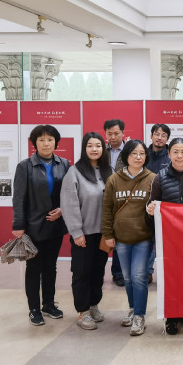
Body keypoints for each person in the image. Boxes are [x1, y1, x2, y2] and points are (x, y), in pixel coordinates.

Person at [12, 125, 70, 326]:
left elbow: (68, 193)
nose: (46, 143)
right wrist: (18, 224)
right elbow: (19, 198)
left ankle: (49, 304)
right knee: (34, 268)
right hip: (33, 226)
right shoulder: (25, 166)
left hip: (55, 224)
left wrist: (62, 209)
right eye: (41, 140)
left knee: (51, 266)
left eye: (50, 139)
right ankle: (34, 309)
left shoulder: (64, 164)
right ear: (34, 143)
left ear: (56, 142)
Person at [146, 137, 183, 335]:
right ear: (169, 154)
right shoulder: (159, 177)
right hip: (169, 237)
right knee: (170, 277)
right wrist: (150, 209)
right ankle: (171, 316)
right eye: (175, 152)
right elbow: (151, 203)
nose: (180, 156)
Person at [102, 139, 156, 336]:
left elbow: (159, 207)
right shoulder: (114, 179)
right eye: (134, 154)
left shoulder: (153, 178)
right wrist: (108, 234)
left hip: (143, 237)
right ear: (126, 156)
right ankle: (133, 309)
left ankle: (140, 316)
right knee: (127, 278)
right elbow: (107, 209)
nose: (138, 157)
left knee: (139, 277)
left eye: (142, 154)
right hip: (121, 238)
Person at [61, 132, 113, 330]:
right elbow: (69, 204)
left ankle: (93, 305)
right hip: (83, 234)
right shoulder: (74, 172)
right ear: (84, 148)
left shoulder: (109, 171)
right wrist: (76, 232)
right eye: (90, 145)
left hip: (104, 233)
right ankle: (83, 312)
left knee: (98, 271)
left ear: (103, 148)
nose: (94, 149)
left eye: (98, 145)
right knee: (81, 272)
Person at [144, 123, 171, 284]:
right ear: (151, 136)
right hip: (146, 203)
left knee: (165, 241)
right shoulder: (143, 154)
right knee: (148, 239)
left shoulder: (170, 155)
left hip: (165, 204)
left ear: (167, 139)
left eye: (163, 135)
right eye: (157, 134)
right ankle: (148, 271)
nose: (159, 138)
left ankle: (166, 271)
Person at [104, 119, 126, 287]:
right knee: (104, 235)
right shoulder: (101, 150)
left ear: (123, 133)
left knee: (120, 236)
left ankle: (118, 272)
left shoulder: (130, 151)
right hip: (103, 198)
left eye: (116, 133)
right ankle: (98, 270)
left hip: (123, 198)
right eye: (109, 134)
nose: (113, 137)